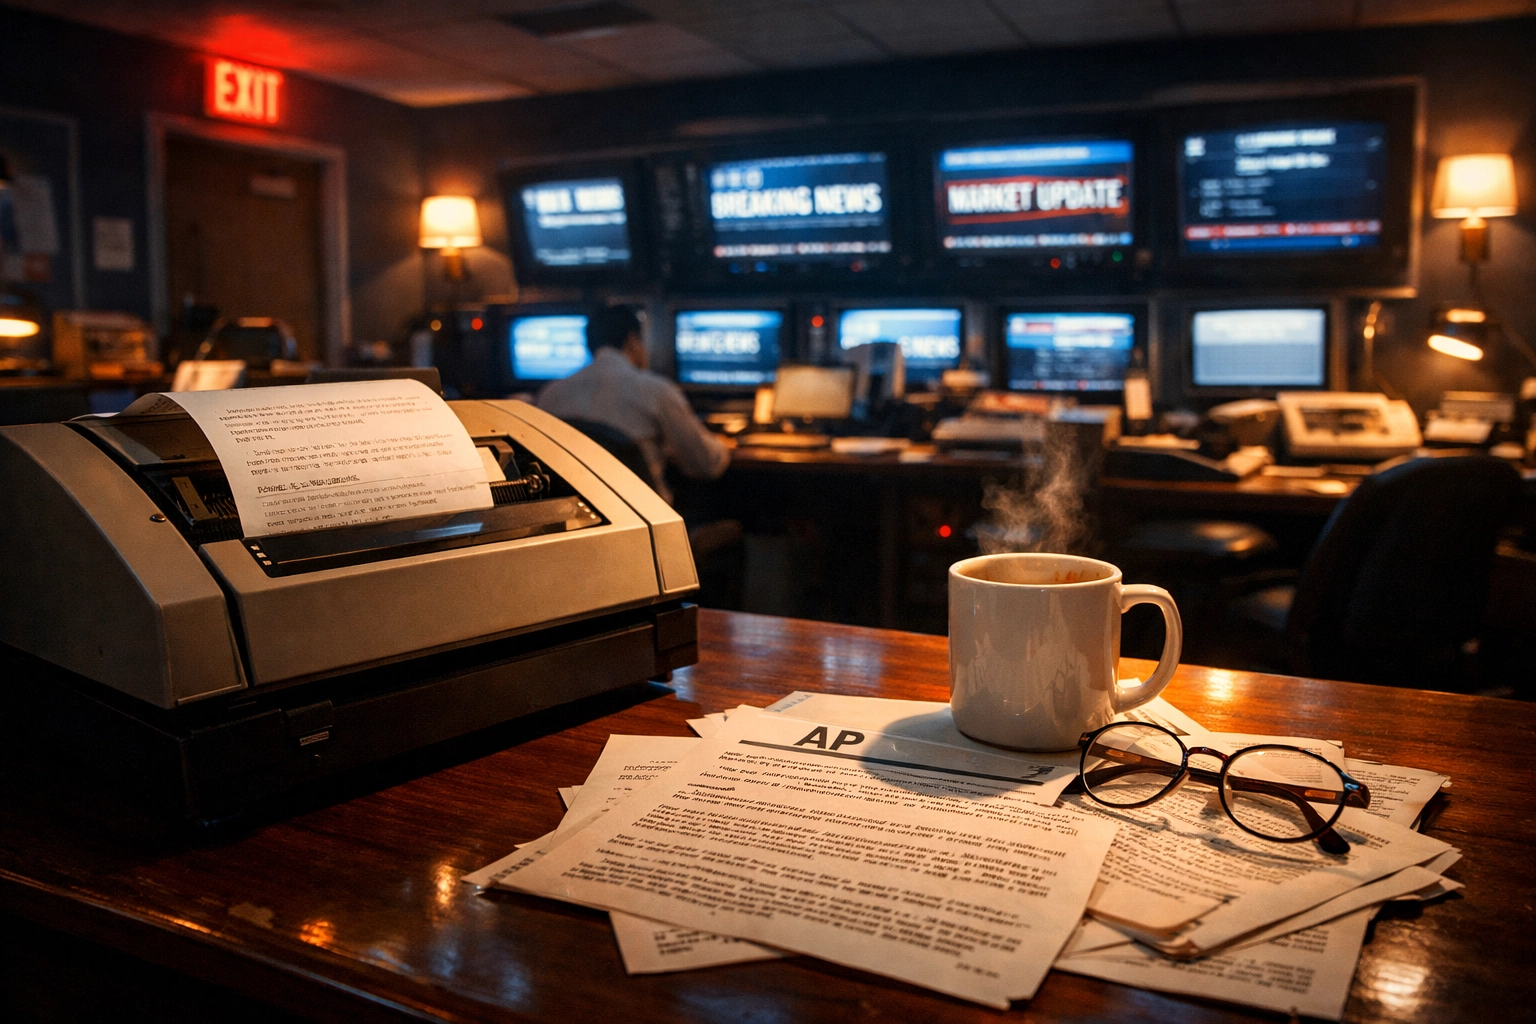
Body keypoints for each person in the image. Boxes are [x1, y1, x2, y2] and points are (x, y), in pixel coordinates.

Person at [537, 306, 730, 503]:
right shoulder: (655, 390)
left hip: (581, 522)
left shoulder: (550, 394)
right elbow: (704, 463)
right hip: (648, 521)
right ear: (632, 340)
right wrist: (723, 444)